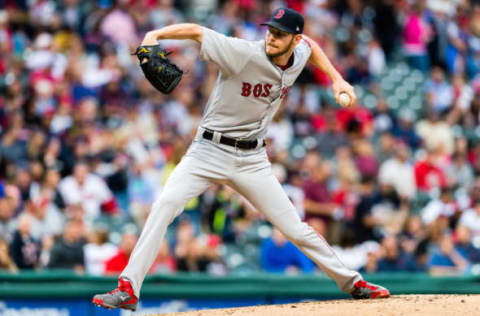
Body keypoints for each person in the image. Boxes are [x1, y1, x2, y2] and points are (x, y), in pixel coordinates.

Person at [92, 8, 390, 312]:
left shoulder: (298, 53)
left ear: (294, 39)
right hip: (208, 151)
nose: (271, 37)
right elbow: (196, 31)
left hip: (252, 159)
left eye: (280, 34)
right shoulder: (242, 52)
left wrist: (336, 79)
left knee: (295, 228)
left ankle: (353, 283)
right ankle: (128, 287)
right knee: (165, 206)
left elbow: (310, 46)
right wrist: (154, 36)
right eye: (270, 30)